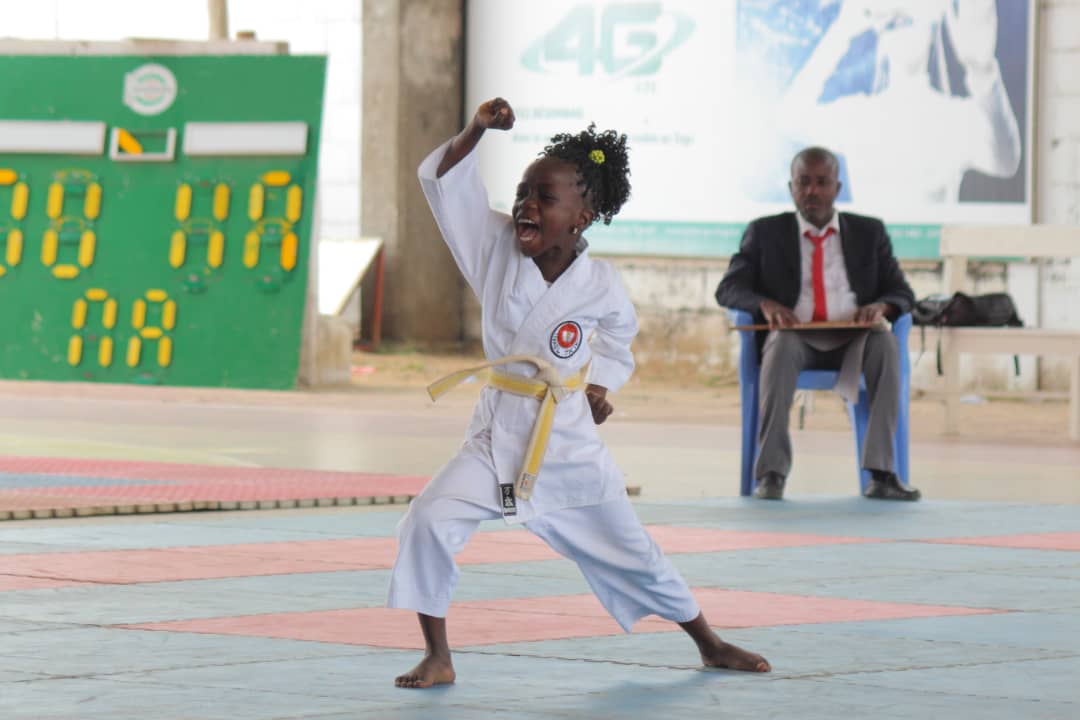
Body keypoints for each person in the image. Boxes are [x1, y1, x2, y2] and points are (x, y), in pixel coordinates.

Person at [387, 97, 770, 688]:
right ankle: (438, 655)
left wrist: (599, 384)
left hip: (566, 441)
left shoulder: (601, 284)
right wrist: (476, 130)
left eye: (544, 196)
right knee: (427, 519)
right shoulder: (491, 246)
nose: (525, 205)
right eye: (522, 193)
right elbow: (443, 182)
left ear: (581, 217)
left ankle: (709, 641)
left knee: (631, 548)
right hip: (495, 437)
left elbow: (621, 339)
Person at [715, 146, 920, 502]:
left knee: (887, 344)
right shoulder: (765, 232)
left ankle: (882, 474)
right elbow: (729, 288)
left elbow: (902, 291)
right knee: (779, 346)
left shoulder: (869, 232)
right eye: (803, 183)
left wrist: (882, 306)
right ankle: (772, 474)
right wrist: (764, 304)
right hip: (796, 338)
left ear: (837, 188)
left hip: (856, 338)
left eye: (822, 182)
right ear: (791, 187)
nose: (812, 191)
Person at [776, 0, 1021, 206]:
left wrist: (982, 71)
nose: (901, 30)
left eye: (908, 20)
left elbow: (1005, 161)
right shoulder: (857, 116)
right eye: (893, 22)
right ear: (881, 37)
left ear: (930, 30)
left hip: (933, 260)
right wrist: (842, 30)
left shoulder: (955, 118)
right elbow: (788, 119)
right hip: (867, 260)